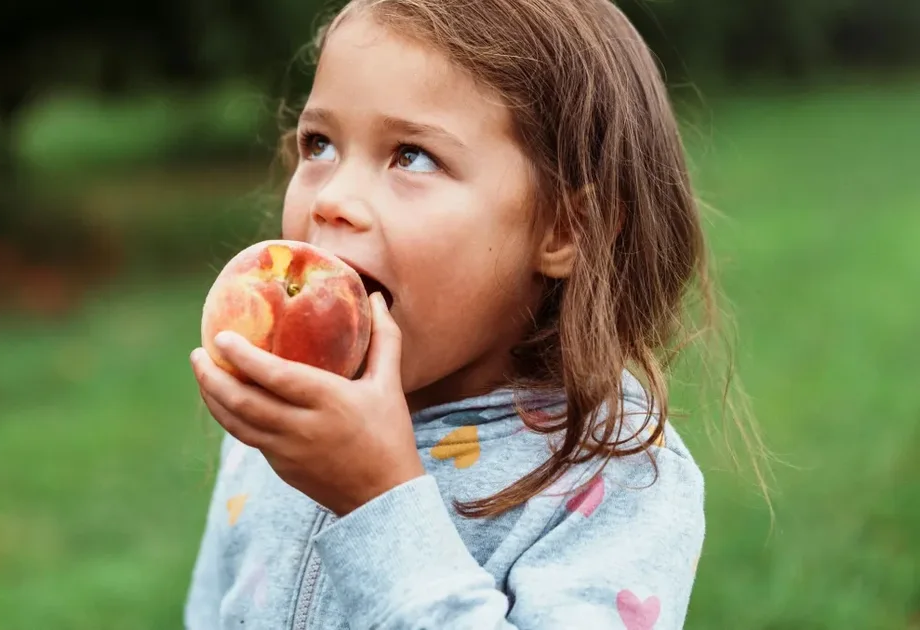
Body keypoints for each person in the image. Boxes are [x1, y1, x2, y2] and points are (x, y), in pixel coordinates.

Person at [184, 0, 767, 627]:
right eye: (319, 144)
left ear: (566, 228)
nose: (333, 198)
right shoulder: (283, 414)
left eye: (412, 155)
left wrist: (377, 501)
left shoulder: (614, 478)